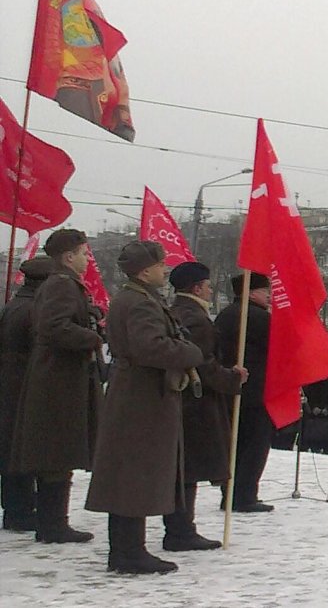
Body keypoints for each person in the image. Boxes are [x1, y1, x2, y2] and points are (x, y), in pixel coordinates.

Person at [85, 241, 204, 574]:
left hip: (137, 393)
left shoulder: (137, 298)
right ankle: (129, 552)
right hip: (141, 397)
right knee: (134, 474)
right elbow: (150, 347)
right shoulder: (139, 303)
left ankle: (128, 550)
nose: (165, 269)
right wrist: (190, 353)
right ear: (145, 270)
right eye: (160, 264)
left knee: (131, 473)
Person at [9, 229, 103, 543]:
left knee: (58, 453)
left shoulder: (62, 284)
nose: (87, 259)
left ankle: (53, 522)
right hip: (58, 380)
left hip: (58, 377)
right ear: (68, 256)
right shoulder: (61, 284)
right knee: (57, 453)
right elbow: (54, 327)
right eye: (84, 254)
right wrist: (92, 337)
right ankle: (53, 525)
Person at [164, 262, 246, 552]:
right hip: (196, 402)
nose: (211, 290)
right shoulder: (196, 318)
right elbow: (203, 363)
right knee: (189, 468)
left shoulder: (177, 311)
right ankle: (181, 530)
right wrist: (232, 378)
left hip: (184, 399)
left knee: (184, 467)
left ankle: (180, 528)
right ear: (197, 288)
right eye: (208, 286)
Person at [0, 256, 53, 532]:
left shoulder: (14, 305)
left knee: (12, 449)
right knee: (21, 451)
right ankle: (20, 511)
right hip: (24, 385)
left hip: (11, 385)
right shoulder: (35, 309)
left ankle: (16, 509)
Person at [214, 272, 274, 513]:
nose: (269, 296)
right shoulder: (259, 318)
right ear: (250, 292)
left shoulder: (225, 315)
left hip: (229, 389)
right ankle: (245, 495)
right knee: (254, 446)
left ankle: (228, 494)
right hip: (256, 392)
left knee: (234, 445)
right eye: (265, 291)